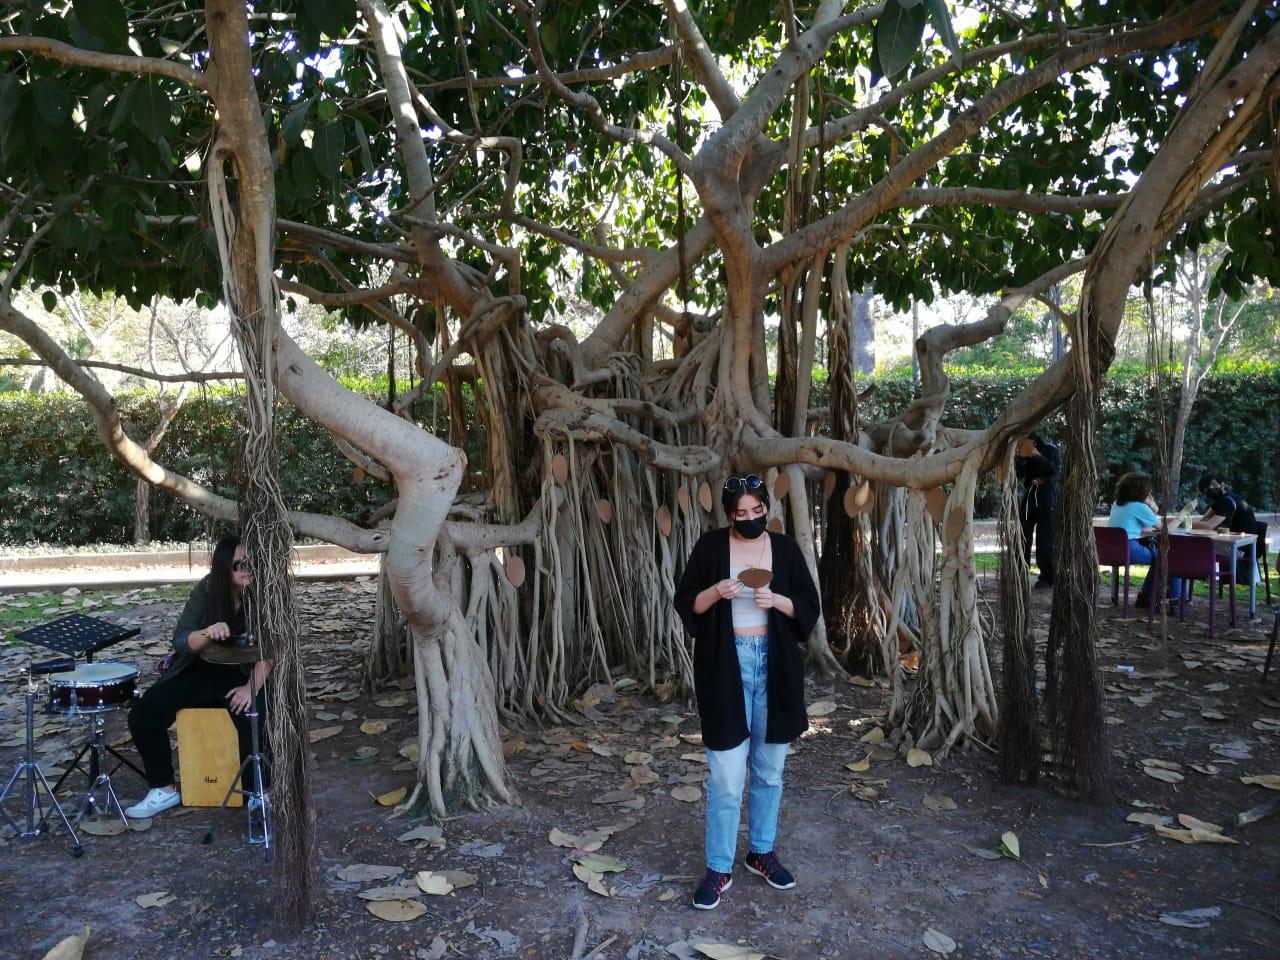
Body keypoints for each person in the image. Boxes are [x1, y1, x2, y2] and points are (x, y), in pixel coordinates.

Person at [674, 473, 821, 910]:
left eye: (757, 510)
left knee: (770, 769)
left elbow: (808, 606)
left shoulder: (785, 550)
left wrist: (777, 601)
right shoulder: (711, 548)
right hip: (725, 666)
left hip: (774, 667)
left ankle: (761, 852)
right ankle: (719, 868)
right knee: (726, 776)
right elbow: (687, 602)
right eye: (741, 513)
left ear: (766, 508)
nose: (751, 517)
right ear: (729, 513)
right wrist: (715, 591)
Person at [123, 535, 271, 819]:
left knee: (253, 717)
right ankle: (163, 789)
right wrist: (207, 633)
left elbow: (274, 648)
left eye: (252, 563)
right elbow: (181, 640)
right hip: (200, 668)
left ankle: (257, 794)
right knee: (143, 715)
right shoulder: (206, 589)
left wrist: (250, 688)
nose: (248, 569)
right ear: (223, 568)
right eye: (240, 564)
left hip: (242, 673)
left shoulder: (266, 592)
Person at [1107, 473, 1181, 611]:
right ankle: (1176, 600)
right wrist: (1183, 514)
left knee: (1157, 556)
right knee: (1168, 557)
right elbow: (1167, 529)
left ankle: (1145, 597)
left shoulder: (1116, 505)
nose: (1149, 493)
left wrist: (1152, 506)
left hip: (1110, 550)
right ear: (1141, 491)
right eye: (1148, 490)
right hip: (1129, 550)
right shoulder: (1138, 507)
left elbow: (1148, 521)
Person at [1015, 433, 1060, 588]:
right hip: (1030, 493)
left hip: (1047, 495)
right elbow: (1020, 474)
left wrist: (1037, 455)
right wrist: (1020, 459)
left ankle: (1047, 576)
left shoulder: (1050, 450)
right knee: (1023, 532)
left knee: (1045, 536)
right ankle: (1020, 571)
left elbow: (1053, 471)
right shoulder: (1024, 453)